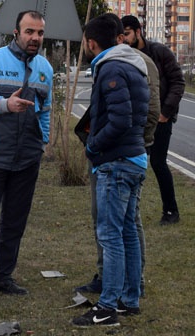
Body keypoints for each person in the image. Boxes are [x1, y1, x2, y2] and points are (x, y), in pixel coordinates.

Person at [0, 10, 53, 303]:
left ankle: (2, 276)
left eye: (39, 33)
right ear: (16, 32)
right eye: (29, 32)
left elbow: (46, 109)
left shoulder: (45, 68)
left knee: (15, 222)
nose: (35, 38)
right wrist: (5, 103)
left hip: (27, 158)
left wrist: (43, 142)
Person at [74, 13, 160, 297]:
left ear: (91, 42)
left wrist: (93, 145)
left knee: (110, 236)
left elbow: (120, 120)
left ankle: (109, 304)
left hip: (116, 161)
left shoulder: (111, 69)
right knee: (127, 233)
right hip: (135, 156)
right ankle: (130, 298)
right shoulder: (134, 64)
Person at [121, 15, 185, 225]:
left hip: (160, 119)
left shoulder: (159, 52)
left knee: (158, 162)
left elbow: (178, 82)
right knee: (131, 163)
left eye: (127, 34)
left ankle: (171, 211)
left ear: (138, 32)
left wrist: (165, 113)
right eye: (122, 35)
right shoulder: (126, 56)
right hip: (136, 119)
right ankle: (128, 212)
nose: (125, 39)